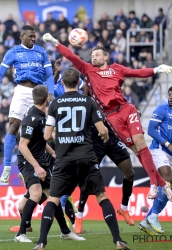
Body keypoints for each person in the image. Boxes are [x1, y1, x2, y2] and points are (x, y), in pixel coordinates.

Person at [42, 32, 172, 200]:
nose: (93, 57)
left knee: (140, 142)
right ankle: (162, 184)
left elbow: (136, 72)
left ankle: (154, 185)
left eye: (96, 55)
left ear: (105, 57)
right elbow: (71, 56)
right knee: (135, 149)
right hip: (111, 117)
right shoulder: (88, 70)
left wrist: (156, 69)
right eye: (92, 55)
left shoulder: (116, 69)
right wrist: (55, 42)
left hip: (126, 108)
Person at [34, 68, 130, 250]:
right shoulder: (89, 101)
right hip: (87, 157)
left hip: (64, 159)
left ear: (62, 83)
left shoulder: (55, 105)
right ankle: (118, 240)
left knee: (53, 199)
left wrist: (60, 136)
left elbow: (47, 136)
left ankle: (41, 242)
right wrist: (105, 137)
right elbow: (102, 130)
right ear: (79, 83)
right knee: (101, 196)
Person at [53, 59, 135, 232]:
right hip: (95, 138)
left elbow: (122, 105)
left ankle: (124, 208)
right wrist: (87, 83)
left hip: (112, 136)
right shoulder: (88, 89)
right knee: (88, 178)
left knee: (130, 172)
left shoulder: (112, 85)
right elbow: (81, 97)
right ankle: (80, 218)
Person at [0, 25, 54, 183]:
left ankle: (29, 167)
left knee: (38, 130)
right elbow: (0, 73)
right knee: (14, 125)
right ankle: (7, 166)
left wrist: (50, 92)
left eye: (34, 36)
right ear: (22, 36)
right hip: (22, 90)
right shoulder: (13, 52)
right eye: (30, 36)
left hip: (39, 92)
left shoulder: (41, 52)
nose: (33, 38)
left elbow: (49, 74)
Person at [15, 85, 84, 243]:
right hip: (29, 161)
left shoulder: (41, 116)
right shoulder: (32, 118)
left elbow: (39, 139)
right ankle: (20, 234)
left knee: (54, 196)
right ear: (47, 99)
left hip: (41, 159)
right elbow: (22, 146)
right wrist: (36, 166)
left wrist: (52, 152)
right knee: (36, 194)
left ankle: (65, 232)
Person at [139, 87, 172, 236]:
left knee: (168, 187)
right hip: (159, 149)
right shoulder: (161, 109)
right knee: (167, 178)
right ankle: (152, 217)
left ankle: (149, 218)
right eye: (169, 95)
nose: (171, 97)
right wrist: (167, 144)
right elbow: (151, 130)